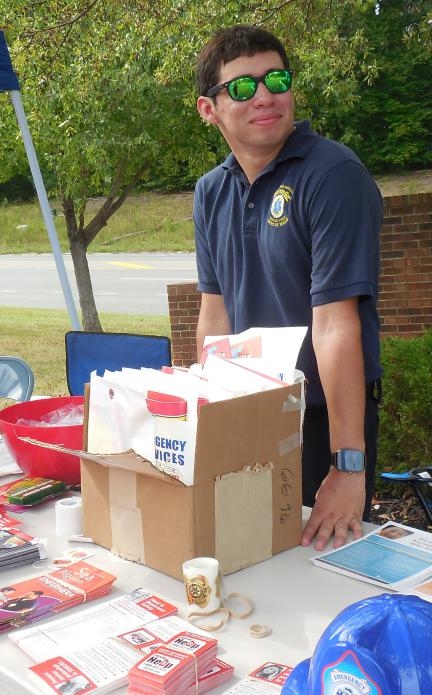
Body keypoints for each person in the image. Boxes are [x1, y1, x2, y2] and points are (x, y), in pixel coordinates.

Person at [193, 26, 382, 551]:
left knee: (321, 559)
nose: (264, 95)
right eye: (242, 87)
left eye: (276, 78)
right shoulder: (211, 192)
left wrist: (348, 466)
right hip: (248, 409)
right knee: (245, 551)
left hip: (325, 418)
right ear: (209, 109)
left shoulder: (333, 175)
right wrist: (208, 419)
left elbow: (336, 323)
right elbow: (215, 313)